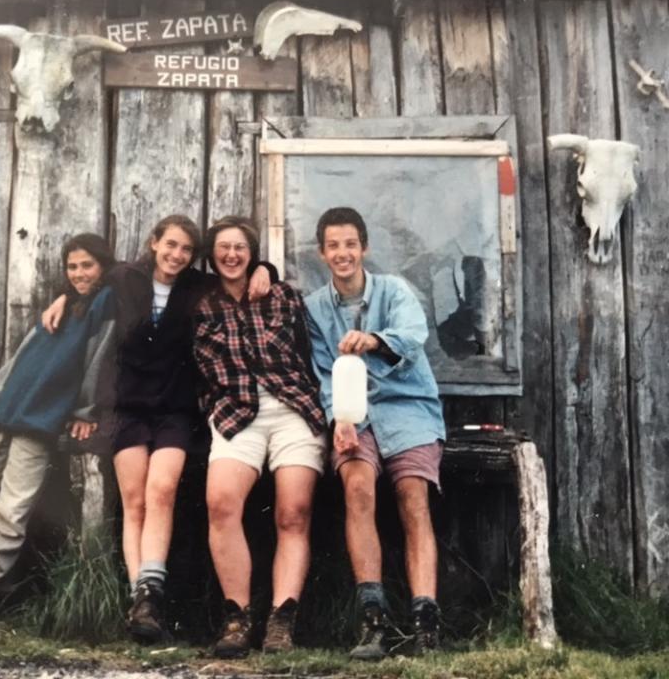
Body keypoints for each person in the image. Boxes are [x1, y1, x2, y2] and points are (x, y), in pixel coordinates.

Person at [42, 215, 274, 643]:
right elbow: (84, 282)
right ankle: (142, 602)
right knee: (134, 500)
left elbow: (241, 276)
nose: (176, 255)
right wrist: (60, 297)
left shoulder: (197, 287)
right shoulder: (124, 278)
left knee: (161, 490)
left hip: (175, 408)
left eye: (186, 249)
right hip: (128, 408)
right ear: (154, 244)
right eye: (170, 245)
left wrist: (266, 269)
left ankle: (151, 589)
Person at [0, 233, 117, 630]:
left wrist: (83, 411)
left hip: (42, 418)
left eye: (88, 266)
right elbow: (25, 354)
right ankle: (7, 582)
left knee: (11, 511)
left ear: (103, 266)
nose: (79, 274)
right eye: (73, 266)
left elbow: (97, 363)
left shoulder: (105, 305)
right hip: (10, 409)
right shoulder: (61, 307)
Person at [304, 207, 446, 659]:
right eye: (333, 246)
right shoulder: (313, 309)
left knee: (412, 496)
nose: (342, 253)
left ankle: (426, 623)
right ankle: (374, 622)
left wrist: (374, 340)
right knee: (358, 488)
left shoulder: (395, 290)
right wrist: (339, 419)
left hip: (408, 407)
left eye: (350, 244)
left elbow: (413, 333)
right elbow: (324, 372)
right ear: (322, 252)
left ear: (363, 247)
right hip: (352, 414)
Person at [193, 216, 327, 657]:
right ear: (212, 255)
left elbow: (311, 355)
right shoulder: (201, 304)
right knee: (221, 503)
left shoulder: (283, 295)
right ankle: (237, 618)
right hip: (235, 414)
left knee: (293, 512)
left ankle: (281, 621)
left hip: (291, 409)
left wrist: (267, 271)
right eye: (223, 248)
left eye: (241, 248)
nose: (232, 255)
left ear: (252, 254)